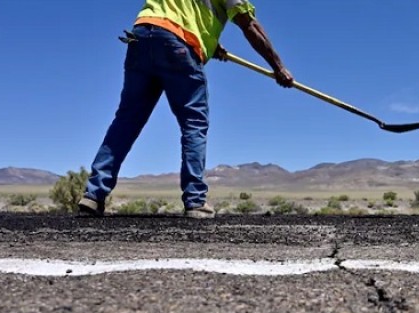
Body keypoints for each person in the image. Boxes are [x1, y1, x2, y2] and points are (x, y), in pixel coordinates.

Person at [77, 0, 293, 218]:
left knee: (127, 120)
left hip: (141, 36)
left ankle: (93, 195)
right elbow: (249, 24)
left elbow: (180, 12)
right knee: (194, 123)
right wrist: (279, 67)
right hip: (179, 42)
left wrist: (210, 44)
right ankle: (195, 200)